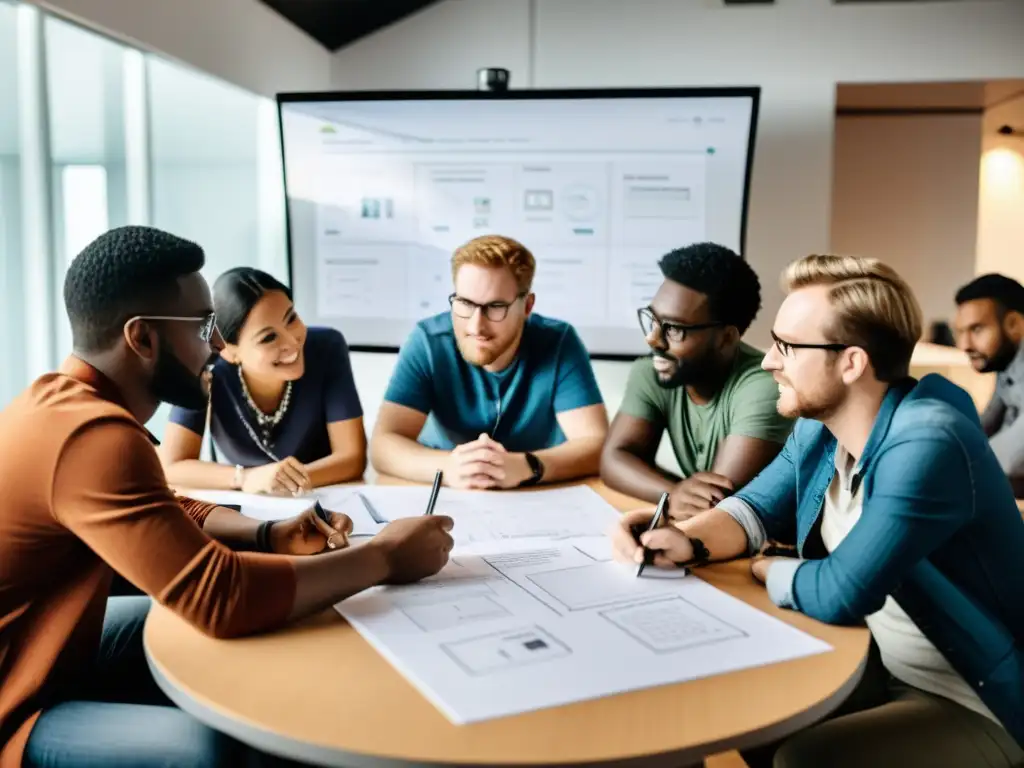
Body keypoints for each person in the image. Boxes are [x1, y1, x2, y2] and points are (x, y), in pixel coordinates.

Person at [0, 226, 455, 768]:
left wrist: (266, 533)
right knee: (215, 751)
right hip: (17, 699)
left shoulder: (62, 403)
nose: (217, 347)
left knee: (189, 633)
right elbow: (221, 598)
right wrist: (385, 556)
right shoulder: (93, 439)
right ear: (142, 338)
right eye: (203, 326)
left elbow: (165, 509)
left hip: (50, 646)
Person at [609, 254, 1024, 767]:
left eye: (787, 346)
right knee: (734, 706)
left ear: (851, 362)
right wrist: (683, 536)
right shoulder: (819, 426)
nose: (767, 361)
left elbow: (840, 592)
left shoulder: (929, 441)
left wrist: (764, 567)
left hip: (981, 698)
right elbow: (754, 509)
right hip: (884, 664)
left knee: (801, 759)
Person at [370, 234, 608, 489]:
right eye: (465, 303)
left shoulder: (559, 342)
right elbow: (383, 445)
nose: (476, 326)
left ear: (527, 306)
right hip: (447, 489)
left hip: (534, 492)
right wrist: (449, 467)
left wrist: (528, 465)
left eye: (495, 307)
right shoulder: (428, 341)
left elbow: (597, 444)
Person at [599, 243, 793, 520]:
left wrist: (677, 496)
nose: (652, 339)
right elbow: (613, 460)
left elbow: (714, 503)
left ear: (726, 338)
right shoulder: (652, 371)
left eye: (674, 328)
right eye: (653, 319)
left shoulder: (763, 386)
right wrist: (672, 494)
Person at [159, 266, 366, 495]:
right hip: (248, 504)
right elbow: (172, 466)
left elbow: (352, 458)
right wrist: (246, 478)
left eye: (291, 318)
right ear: (229, 352)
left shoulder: (327, 347)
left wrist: (283, 481)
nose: (292, 342)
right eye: (268, 337)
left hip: (323, 496)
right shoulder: (202, 367)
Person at [953, 272, 1024, 496]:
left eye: (976, 329)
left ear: (1014, 324)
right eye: (960, 332)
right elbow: (983, 428)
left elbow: (1010, 458)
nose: (964, 344)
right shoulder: (1008, 366)